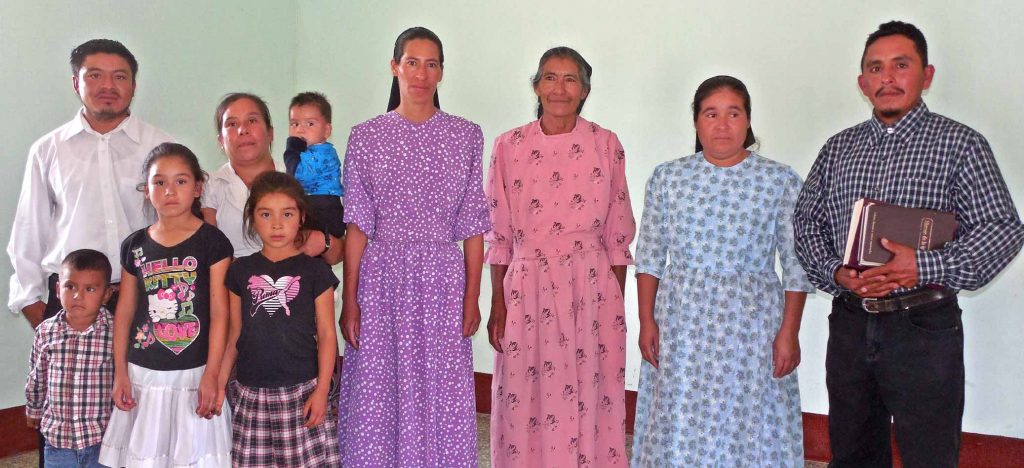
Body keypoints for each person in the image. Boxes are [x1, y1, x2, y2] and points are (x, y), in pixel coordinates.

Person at [794, 20, 1024, 467]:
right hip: (850, 324)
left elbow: (1002, 228)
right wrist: (835, 273)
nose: (887, 79)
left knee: (929, 456)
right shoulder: (838, 149)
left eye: (901, 66)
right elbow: (805, 223)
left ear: (927, 75)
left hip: (923, 327)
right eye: (875, 69)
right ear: (862, 83)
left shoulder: (960, 145)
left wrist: (923, 266)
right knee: (854, 454)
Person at [631, 76, 815, 467]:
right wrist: (647, 321)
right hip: (683, 324)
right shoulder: (668, 178)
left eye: (734, 113)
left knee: (748, 418)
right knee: (681, 414)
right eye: (711, 114)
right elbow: (649, 258)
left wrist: (789, 331)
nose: (722, 124)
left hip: (751, 327)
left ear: (748, 121)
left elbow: (796, 265)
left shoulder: (779, 181)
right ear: (696, 122)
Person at [336, 26, 490, 467]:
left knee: (440, 386)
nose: (421, 73)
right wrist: (349, 300)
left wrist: (472, 295)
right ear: (394, 67)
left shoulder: (466, 135)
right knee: (377, 383)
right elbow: (358, 227)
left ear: (442, 72)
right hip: (382, 276)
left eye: (432, 63)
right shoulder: (365, 136)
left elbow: (474, 225)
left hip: (442, 276)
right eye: (412, 62)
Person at [485, 46, 636, 467]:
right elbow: (497, 235)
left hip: (590, 285)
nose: (560, 88)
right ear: (536, 85)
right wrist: (497, 302)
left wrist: (615, 304)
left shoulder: (605, 144)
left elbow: (617, 233)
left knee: (592, 391)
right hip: (526, 284)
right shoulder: (508, 146)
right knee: (522, 393)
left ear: (585, 91)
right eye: (550, 77)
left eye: (571, 79)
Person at [8, 38, 173, 328]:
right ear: (76, 83)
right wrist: (33, 305)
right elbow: (28, 232)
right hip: (71, 300)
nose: (107, 86)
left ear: (133, 86)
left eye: (119, 77)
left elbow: (179, 226)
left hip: (146, 294)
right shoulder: (48, 150)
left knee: (143, 376)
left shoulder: (162, 148)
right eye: (95, 76)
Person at [99, 143, 233, 467]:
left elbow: (220, 314)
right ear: (146, 190)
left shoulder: (213, 243)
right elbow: (125, 312)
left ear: (198, 187)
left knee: (193, 456)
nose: (169, 190)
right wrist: (121, 373)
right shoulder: (135, 245)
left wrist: (213, 374)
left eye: (181, 181)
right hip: (145, 372)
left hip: (195, 372)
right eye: (159, 182)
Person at [219, 171, 341, 467]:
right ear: (252, 218)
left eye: (286, 214)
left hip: (302, 391)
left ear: (301, 217)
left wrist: (323, 389)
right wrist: (219, 381)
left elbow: (326, 334)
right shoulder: (240, 271)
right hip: (251, 391)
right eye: (265, 214)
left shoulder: (315, 272)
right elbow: (236, 333)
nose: (276, 224)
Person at [203, 93, 342, 264]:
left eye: (252, 120)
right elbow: (207, 253)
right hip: (235, 287)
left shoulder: (300, 176)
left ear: (271, 133)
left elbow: (338, 253)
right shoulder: (208, 186)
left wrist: (323, 242)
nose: (243, 130)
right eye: (232, 124)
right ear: (220, 140)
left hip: (301, 286)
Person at [25, 249, 115, 468]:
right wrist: (34, 409)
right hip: (58, 441)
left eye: (90, 289)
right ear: (58, 289)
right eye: (70, 286)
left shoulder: (115, 332)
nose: (78, 296)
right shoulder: (46, 331)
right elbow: (37, 377)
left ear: (106, 295)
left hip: (101, 440)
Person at [284, 91, 346, 244]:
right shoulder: (309, 152)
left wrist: (291, 151)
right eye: (294, 124)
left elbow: (299, 176)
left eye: (310, 124)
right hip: (316, 207)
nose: (300, 130)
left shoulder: (322, 153)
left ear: (326, 130)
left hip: (323, 209)